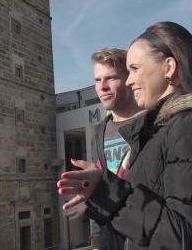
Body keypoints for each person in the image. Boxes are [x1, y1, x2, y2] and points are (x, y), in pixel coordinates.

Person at [57, 21, 192, 250]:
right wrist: (99, 199)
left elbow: (190, 239)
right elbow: (150, 210)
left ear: (168, 67)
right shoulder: (162, 128)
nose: (129, 80)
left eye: (134, 69)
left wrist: (106, 191)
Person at [64, 48, 142, 249]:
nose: (102, 87)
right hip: (110, 238)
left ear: (129, 79)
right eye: (97, 80)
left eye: (111, 78)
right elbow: (99, 190)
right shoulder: (100, 131)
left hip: (144, 235)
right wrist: (96, 239)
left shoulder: (152, 123)